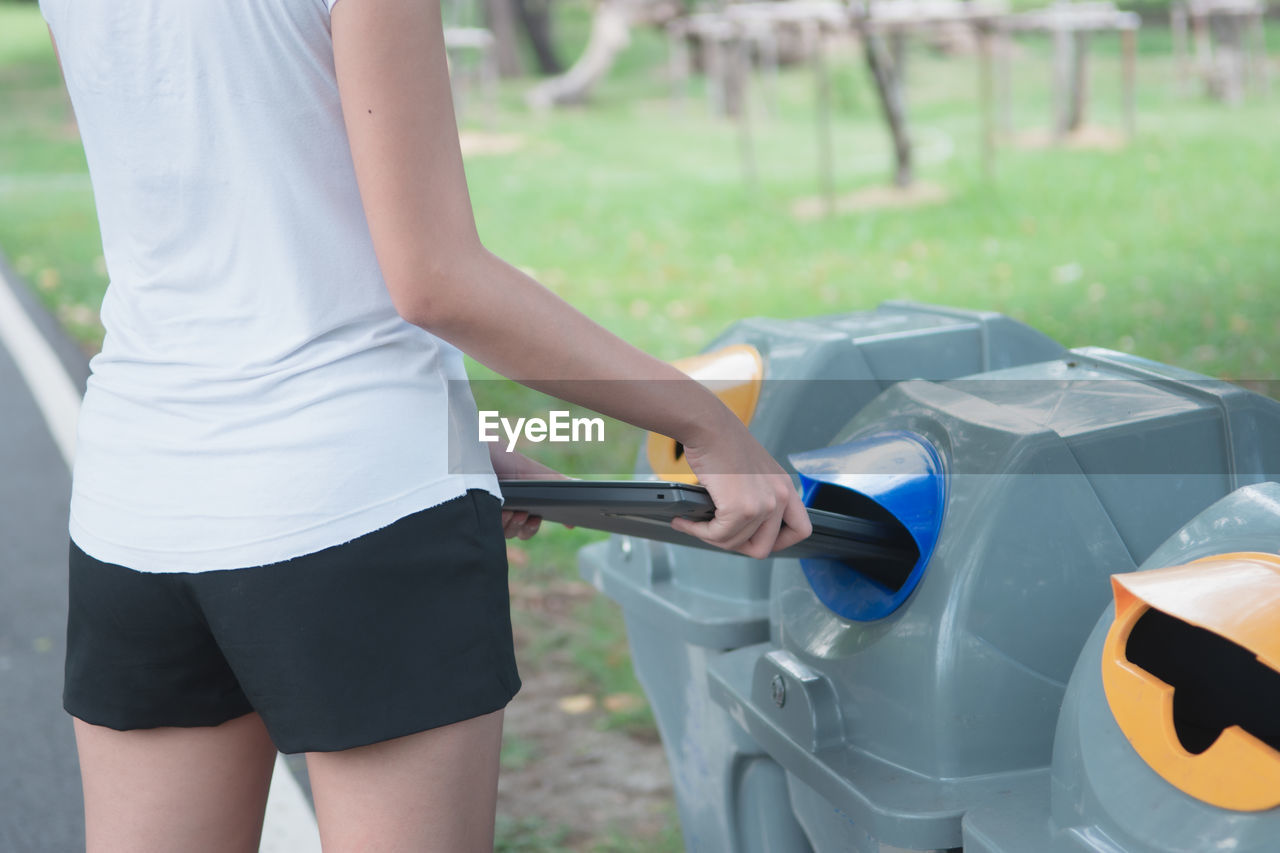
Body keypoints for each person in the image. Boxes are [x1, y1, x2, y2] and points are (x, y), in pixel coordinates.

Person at [39, 0, 812, 850]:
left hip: (136, 503)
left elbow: (201, 194)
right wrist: (708, 426)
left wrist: (433, 437)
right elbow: (435, 277)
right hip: (353, 507)